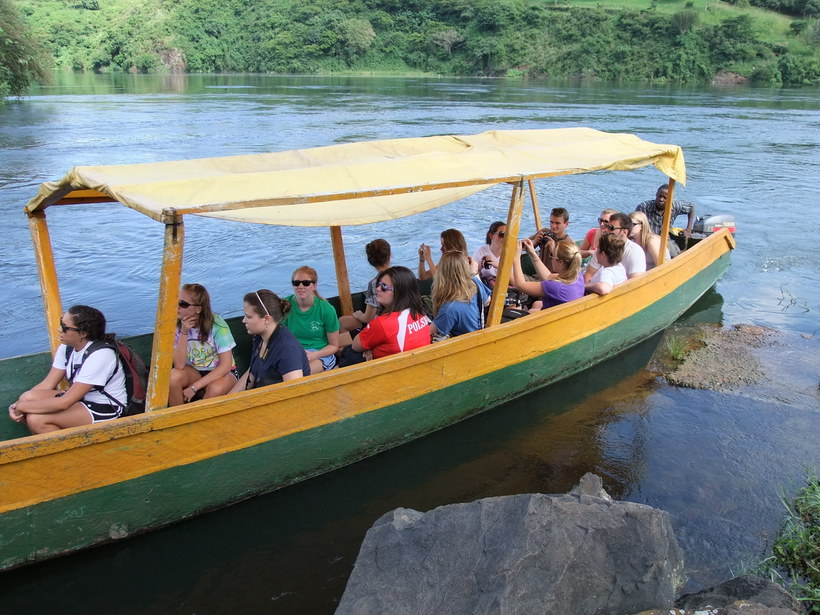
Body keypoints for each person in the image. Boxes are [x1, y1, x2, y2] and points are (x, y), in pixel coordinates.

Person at [8, 305, 126, 434]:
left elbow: (65, 403)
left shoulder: (101, 355)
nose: (59, 330)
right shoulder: (67, 348)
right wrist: (17, 405)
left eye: (65, 327)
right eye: (61, 323)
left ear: (83, 333)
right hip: (80, 399)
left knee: (37, 419)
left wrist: (23, 408)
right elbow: (47, 385)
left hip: (106, 407)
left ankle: (73, 452)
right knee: (28, 397)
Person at [169, 283, 238, 407]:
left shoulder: (218, 326)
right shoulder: (178, 326)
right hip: (195, 371)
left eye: (183, 304)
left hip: (222, 374)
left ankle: (198, 422)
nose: (177, 307)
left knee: (214, 389)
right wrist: (184, 332)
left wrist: (194, 388)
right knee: (173, 377)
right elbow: (179, 365)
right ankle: (178, 419)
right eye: (176, 301)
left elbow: (225, 366)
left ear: (198, 309)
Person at [348, 266, 432, 362]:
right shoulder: (420, 312)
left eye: (384, 287)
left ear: (399, 293)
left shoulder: (383, 323)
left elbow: (355, 346)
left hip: (391, 370)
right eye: (379, 284)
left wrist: (371, 348)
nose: (378, 289)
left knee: (350, 354)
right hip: (413, 365)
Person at [231, 290, 310, 391]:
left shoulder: (287, 349)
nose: (244, 320)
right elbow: (252, 372)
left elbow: (295, 391)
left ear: (267, 319)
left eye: (248, 316)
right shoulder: (259, 337)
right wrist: (227, 401)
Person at [282, 266, 340, 375]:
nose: (300, 286)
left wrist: (314, 355)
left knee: (300, 374)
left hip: (320, 353)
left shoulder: (326, 310)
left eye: (306, 283)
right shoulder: (285, 305)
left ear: (314, 286)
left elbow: (334, 346)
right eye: (296, 283)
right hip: (293, 351)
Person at [430, 252, 491, 338]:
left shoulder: (449, 309)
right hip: (478, 337)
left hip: (466, 346)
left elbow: (431, 332)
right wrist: (474, 273)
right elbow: (487, 301)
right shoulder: (475, 284)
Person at [512, 238, 584, 310]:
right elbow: (547, 276)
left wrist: (516, 256)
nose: (551, 258)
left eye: (552, 255)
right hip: (565, 316)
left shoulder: (556, 287)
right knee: (536, 304)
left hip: (553, 319)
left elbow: (521, 285)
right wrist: (532, 253)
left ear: (561, 262)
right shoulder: (577, 275)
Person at [339, 238, 391, 333]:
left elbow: (368, 318)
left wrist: (359, 315)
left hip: (382, 326)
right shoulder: (402, 274)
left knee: (342, 322)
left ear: (370, 261)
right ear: (389, 256)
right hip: (397, 320)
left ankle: (356, 345)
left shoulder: (375, 283)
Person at [583, 212, 646, 282]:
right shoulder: (603, 246)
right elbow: (588, 276)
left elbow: (635, 282)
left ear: (624, 232)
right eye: (607, 226)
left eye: (611, 228)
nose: (607, 230)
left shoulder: (635, 252)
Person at [529, 207, 573, 272]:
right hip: (538, 275)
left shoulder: (569, 244)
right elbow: (520, 246)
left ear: (566, 224)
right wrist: (534, 242)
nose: (553, 226)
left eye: (557, 223)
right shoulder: (544, 232)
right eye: (551, 222)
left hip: (554, 278)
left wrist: (554, 250)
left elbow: (570, 270)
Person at [473, 221, 506, 285]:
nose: (505, 238)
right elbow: (472, 275)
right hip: (485, 286)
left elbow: (515, 282)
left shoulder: (511, 253)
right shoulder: (481, 251)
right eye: (502, 234)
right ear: (491, 236)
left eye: (508, 235)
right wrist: (480, 266)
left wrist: (498, 266)